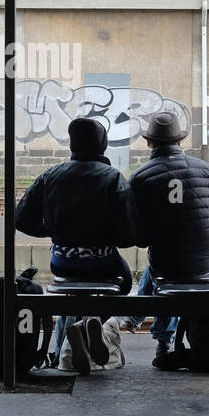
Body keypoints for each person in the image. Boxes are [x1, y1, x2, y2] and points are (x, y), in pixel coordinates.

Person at [14, 117, 137, 375]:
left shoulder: (51, 175)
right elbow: (128, 237)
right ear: (102, 145)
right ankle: (92, 324)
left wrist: (53, 229)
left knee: (74, 292)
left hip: (63, 261)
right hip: (103, 262)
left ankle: (69, 345)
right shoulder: (113, 178)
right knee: (124, 283)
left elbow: (21, 219)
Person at [125, 110, 209, 369]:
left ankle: (161, 338)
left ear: (149, 143)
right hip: (206, 262)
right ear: (180, 142)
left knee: (163, 266)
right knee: (166, 263)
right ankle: (138, 320)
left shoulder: (139, 177)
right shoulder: (207, 170)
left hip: (167, 265)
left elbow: (138, 237)